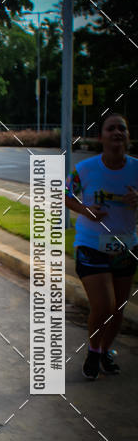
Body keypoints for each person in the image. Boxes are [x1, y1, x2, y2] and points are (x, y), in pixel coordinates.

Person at [65, 112, 137, 379]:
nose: (117, 132)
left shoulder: (135, 168)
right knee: (104, 305)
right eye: (111, 128)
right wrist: (85, 210)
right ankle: (94, 350)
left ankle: (105, 351)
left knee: (119, 307)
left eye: (123, 128)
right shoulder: (87, 168)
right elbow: (63, 193)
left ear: (127, 136)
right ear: (101, 136)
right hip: (91, 245)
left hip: (125, 247)